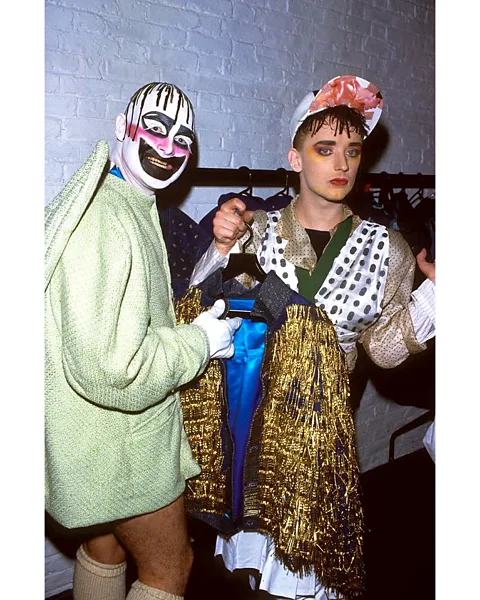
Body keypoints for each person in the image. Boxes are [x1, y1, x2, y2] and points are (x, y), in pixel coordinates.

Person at [189, 74, 435, 599]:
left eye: (352, 151)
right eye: (325, 149)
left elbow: (383, 350)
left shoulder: (387, 247)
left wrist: (435, 300)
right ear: (296, 158)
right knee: (253, 571)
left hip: (323, 436)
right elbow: (201, 307)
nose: (342, 164)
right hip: (252, 424)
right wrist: (218, 248)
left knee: (310, 573)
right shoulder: (257, 228)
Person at [44, 81, 242, 600]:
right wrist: (200, 342)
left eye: (183, 137)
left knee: (107, 548)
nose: (167, 145)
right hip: (121, 443)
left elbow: (138, 311)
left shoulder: (129, 202)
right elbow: (111, 367)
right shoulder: (105, 218)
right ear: (122, 128)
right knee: (170, 568)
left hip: (103, 441)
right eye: (155, 127)